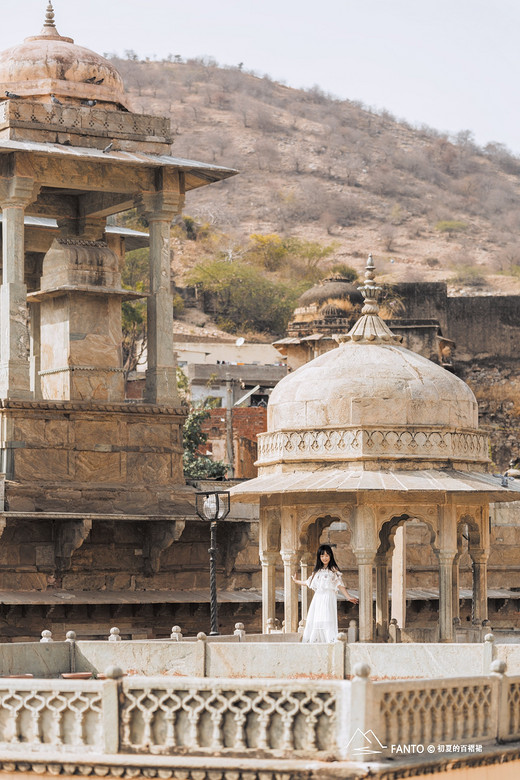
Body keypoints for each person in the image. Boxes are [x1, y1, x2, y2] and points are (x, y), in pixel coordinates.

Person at [292, 544, 358, 643]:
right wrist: (296, 581)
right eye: (322, 556)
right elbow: (308, 582)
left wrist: (348, 597)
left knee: (327, 620)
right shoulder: (317, 571)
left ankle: (330, 642)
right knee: (317, 620)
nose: (324, 558)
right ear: (319, 557)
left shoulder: (333, 570)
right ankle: (315, 643)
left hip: (328, 597)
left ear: (330, 556)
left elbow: (339, 584)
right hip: (318, 598)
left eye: (327, 555)